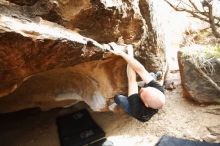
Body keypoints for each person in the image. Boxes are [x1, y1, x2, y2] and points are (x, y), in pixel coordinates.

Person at [108, 42, 165, 122]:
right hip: (149, 100)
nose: (142, 89)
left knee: (118, 98)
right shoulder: (159, 89)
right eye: (148, 88)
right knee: (151, 76)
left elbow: (131, 79)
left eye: (141, 93)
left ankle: (126, 103)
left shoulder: (137, 108)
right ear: (157, 90)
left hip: (138, 112)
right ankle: (155, 76)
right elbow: (141, 70)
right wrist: (126, 53)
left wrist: (126, 54)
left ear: (145, 104)